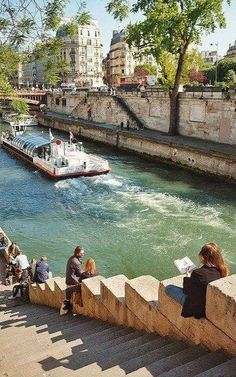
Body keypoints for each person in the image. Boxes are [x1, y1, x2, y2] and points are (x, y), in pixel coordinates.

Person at [165, 243, 229, 319]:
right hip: (210, 305)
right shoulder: (222, 270)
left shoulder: (198, 273)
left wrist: (188, 276)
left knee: (169, 288)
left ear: (202, 257)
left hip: (199, 309)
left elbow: (187, 290)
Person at [61, 246, 85, 314]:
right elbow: (81, 274)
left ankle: (68, 303)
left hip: (69, 279)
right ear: (77, 253)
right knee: (80, 287)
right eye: (82, 253)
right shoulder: (76, 262)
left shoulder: (71, 258)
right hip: (72, 281)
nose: (83, 255)